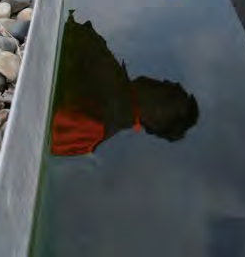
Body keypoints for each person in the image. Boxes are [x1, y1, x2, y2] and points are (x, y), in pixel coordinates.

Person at [50, 11, 200, 156]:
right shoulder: (116, 94)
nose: (165, 82)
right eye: (170, 84)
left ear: (156, 119)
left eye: (169, 94)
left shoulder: (97, 125)